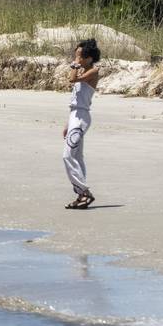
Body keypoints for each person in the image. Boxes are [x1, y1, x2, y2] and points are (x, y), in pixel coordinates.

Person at [63, 39, 101, 210]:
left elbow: (72, 79)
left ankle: (84, 192)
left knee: (67, 155)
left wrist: (75, 64)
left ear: (89, 57)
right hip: (74, 116)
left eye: (80, 55)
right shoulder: (84, 70)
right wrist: (67, 123)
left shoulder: (93, 71)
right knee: (77, 157)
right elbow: (75, 100)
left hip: (82, 117)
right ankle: (81, 196)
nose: (77, 57)